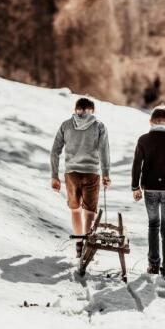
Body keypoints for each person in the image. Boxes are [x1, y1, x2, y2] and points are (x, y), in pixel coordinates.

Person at [51, 97, 111, 257]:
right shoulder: (99, 126)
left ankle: (79, 244)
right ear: (93, 111)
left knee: (76, 211)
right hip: (91, 172)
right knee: (90, 212)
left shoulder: (66, 125)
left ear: (76, 109)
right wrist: (106, 173)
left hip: (71, 174)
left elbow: (55, 151)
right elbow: (104, 151)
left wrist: (54, 175)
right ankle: (87, 246)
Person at [131, 106, 165, 280]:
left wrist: (135, 187)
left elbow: (136, 165)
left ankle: (154, 265)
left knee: (153, 225)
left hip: (150, 188)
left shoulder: (144, 139)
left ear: (151, 121)